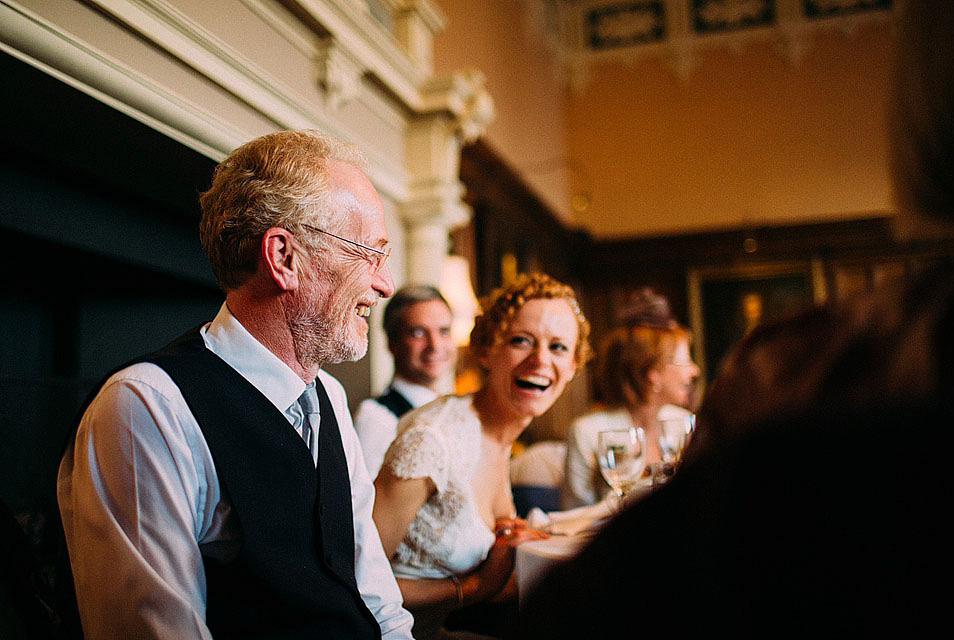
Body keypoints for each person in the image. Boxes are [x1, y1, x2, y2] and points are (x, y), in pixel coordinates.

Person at [513, 1, 954, 636]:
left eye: (559, 345)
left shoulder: (787, 375)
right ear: (648, 369)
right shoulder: (602, 428)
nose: (695, 368)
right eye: (680, 358)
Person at [57, 129, 415, 639]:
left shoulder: (331, 398)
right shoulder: (148, 406)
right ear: (285, 258)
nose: (384, 284)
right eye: (369, 253)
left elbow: (376, 600)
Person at [372, 273, 592, 639]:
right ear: (487, 350)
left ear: (572, 367)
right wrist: (474, 587)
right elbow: (354, 581)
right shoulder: (432, 440)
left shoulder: (499, 435)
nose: (540, 360)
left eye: (558, 347)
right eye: (521, 341)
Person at [561, 289, 699, 509]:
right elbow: (574, 516)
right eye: (684, 361)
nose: (694, 370)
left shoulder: (685, 423)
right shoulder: (587, 432)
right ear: (651, 373)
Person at [354, 285, 456, 477]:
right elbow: (370, 502)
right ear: (393, 343)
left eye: (443, 331)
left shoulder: (453, 406)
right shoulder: (376, 417)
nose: (434, 345)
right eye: (418, 333)